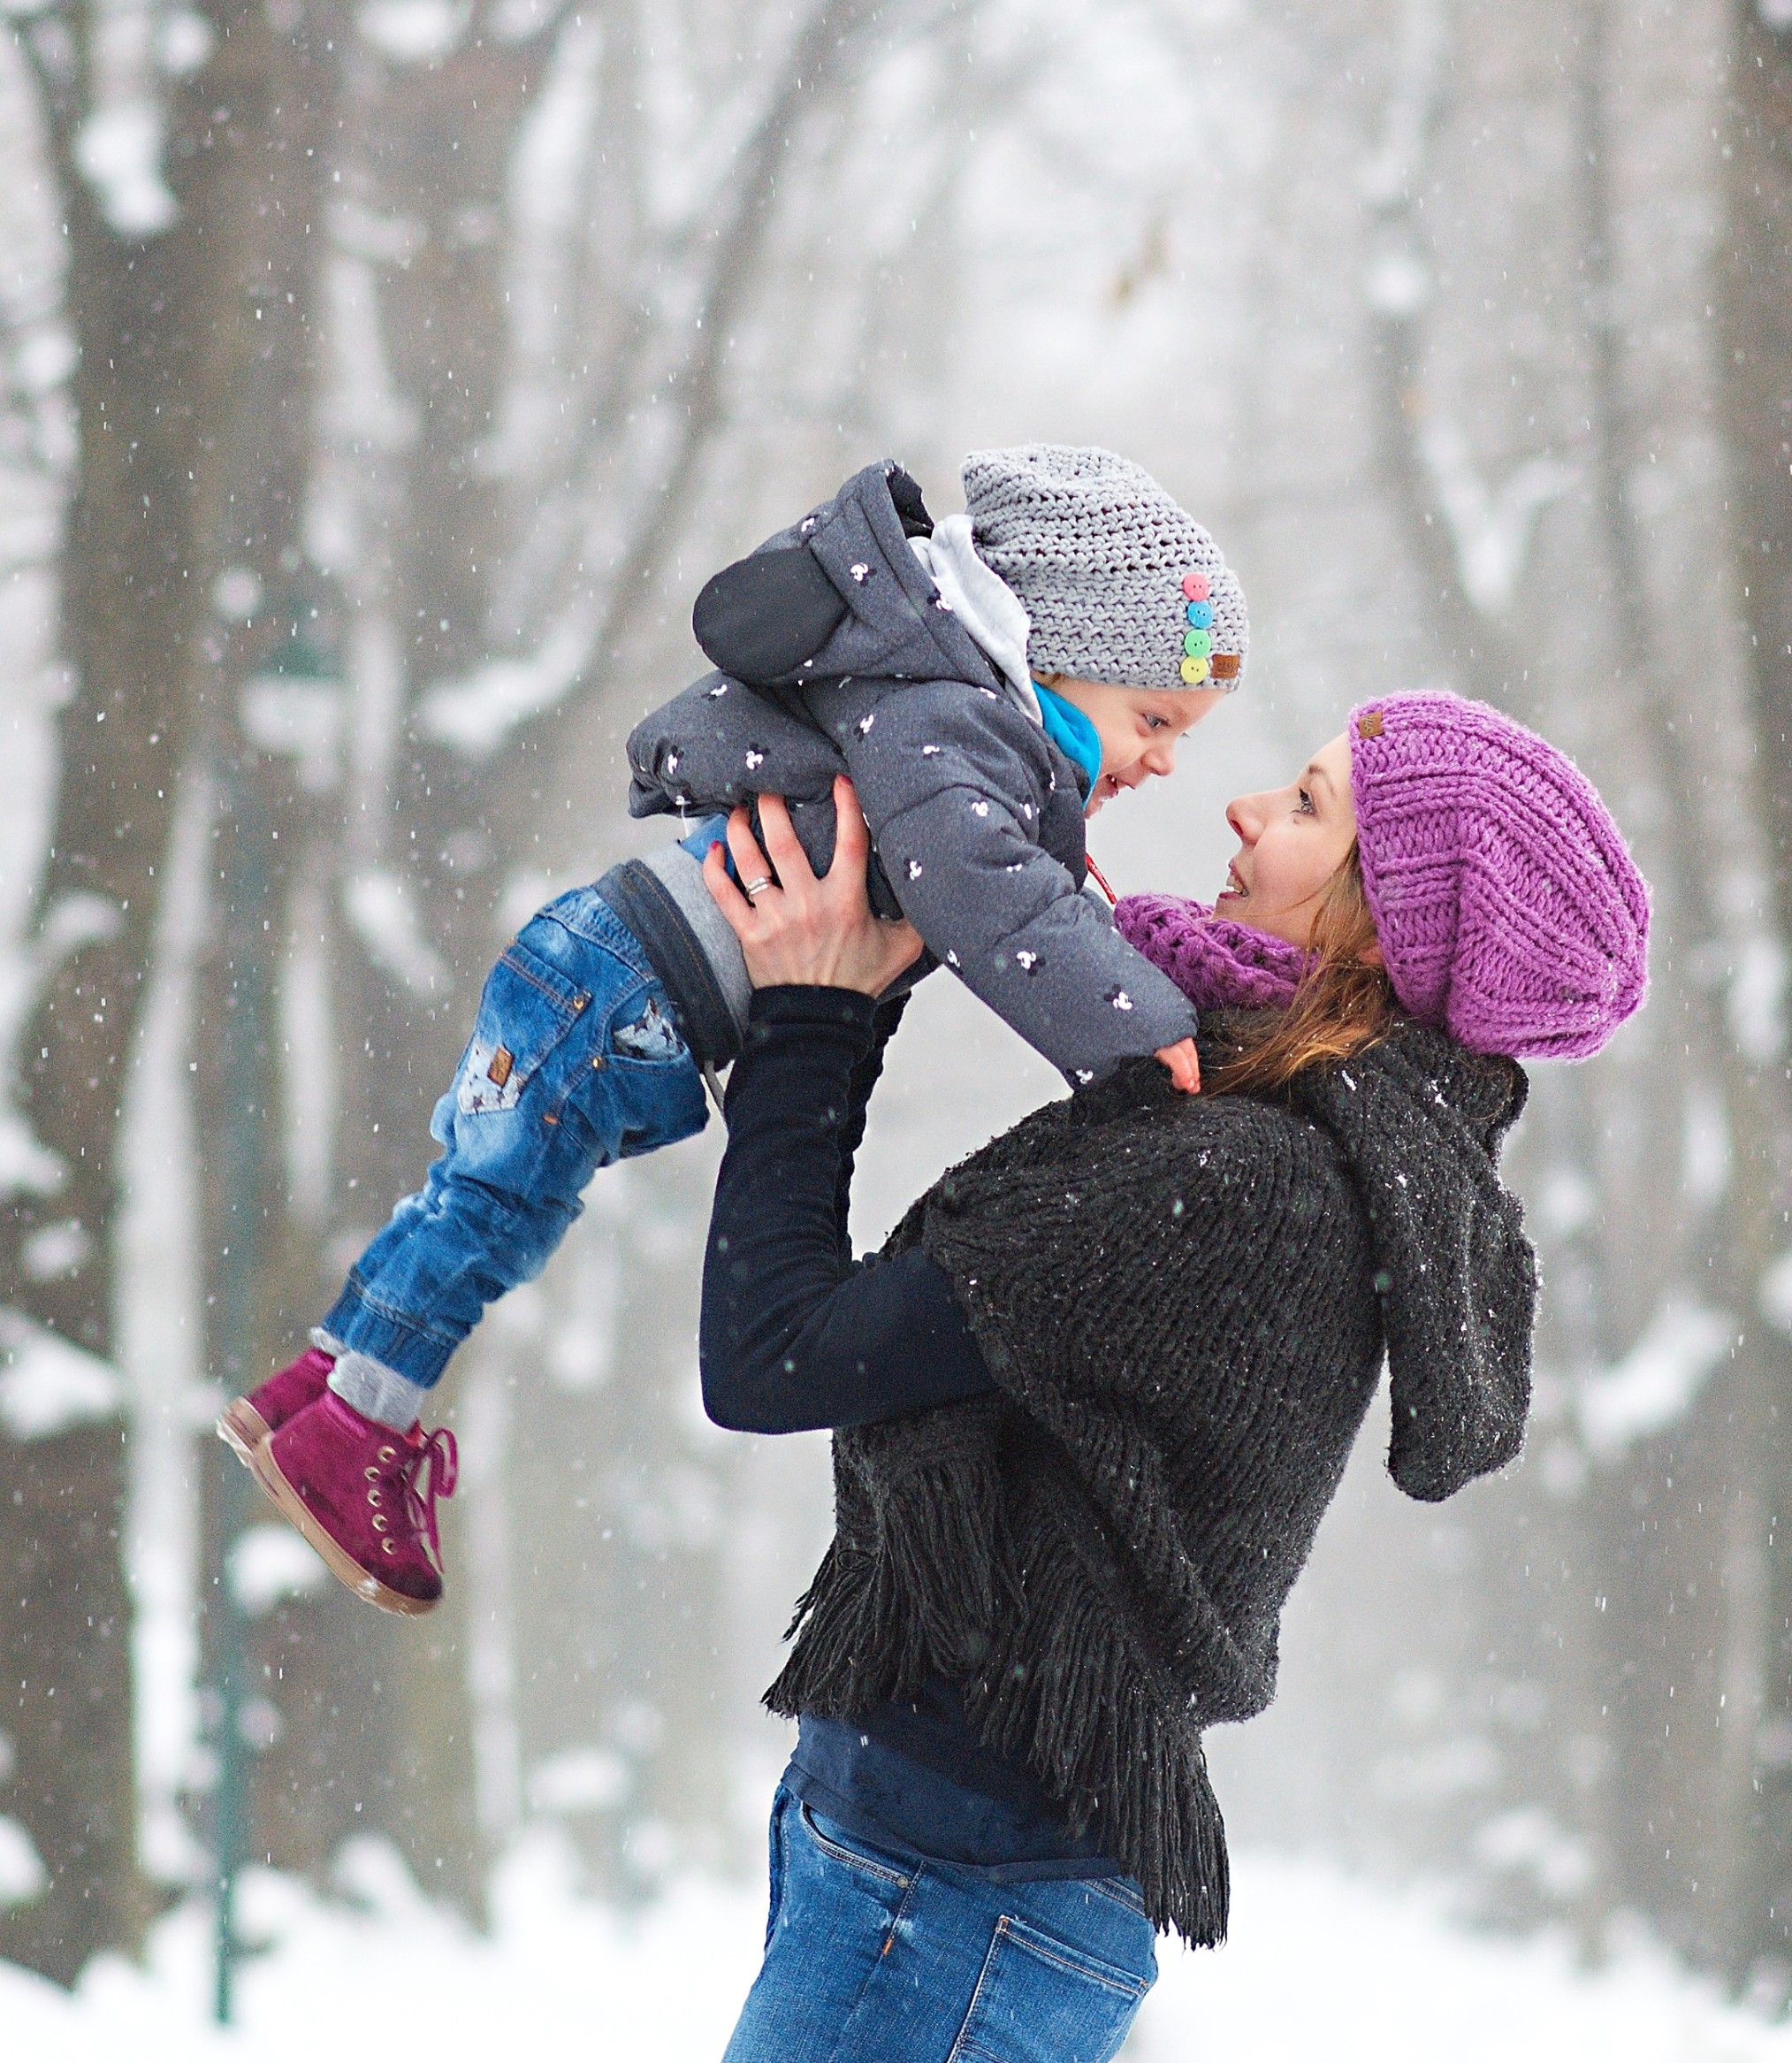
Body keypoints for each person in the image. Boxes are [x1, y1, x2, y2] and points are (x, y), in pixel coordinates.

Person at [698, 689, 1650, 2062]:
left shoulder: (1256, 1184)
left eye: (1307, 805)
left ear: (1386, 928)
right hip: (932, 1862)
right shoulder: (1258, 1132)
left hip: (950, 1892)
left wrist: (815, 1011)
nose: (1245, 811)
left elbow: (777, 1349)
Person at [215, 446, 1248, 1616]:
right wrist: (1138, 1034)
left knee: (478, 1196)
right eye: (1154, 719)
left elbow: (1010, 890)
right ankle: (356, 1427)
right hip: (622, 991)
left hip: (600, 973)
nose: (1164, 760)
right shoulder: (953, 726)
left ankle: (317, 1390)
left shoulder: (946, 711)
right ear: (1053, 655)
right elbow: (991, 899)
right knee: (495, 1210)